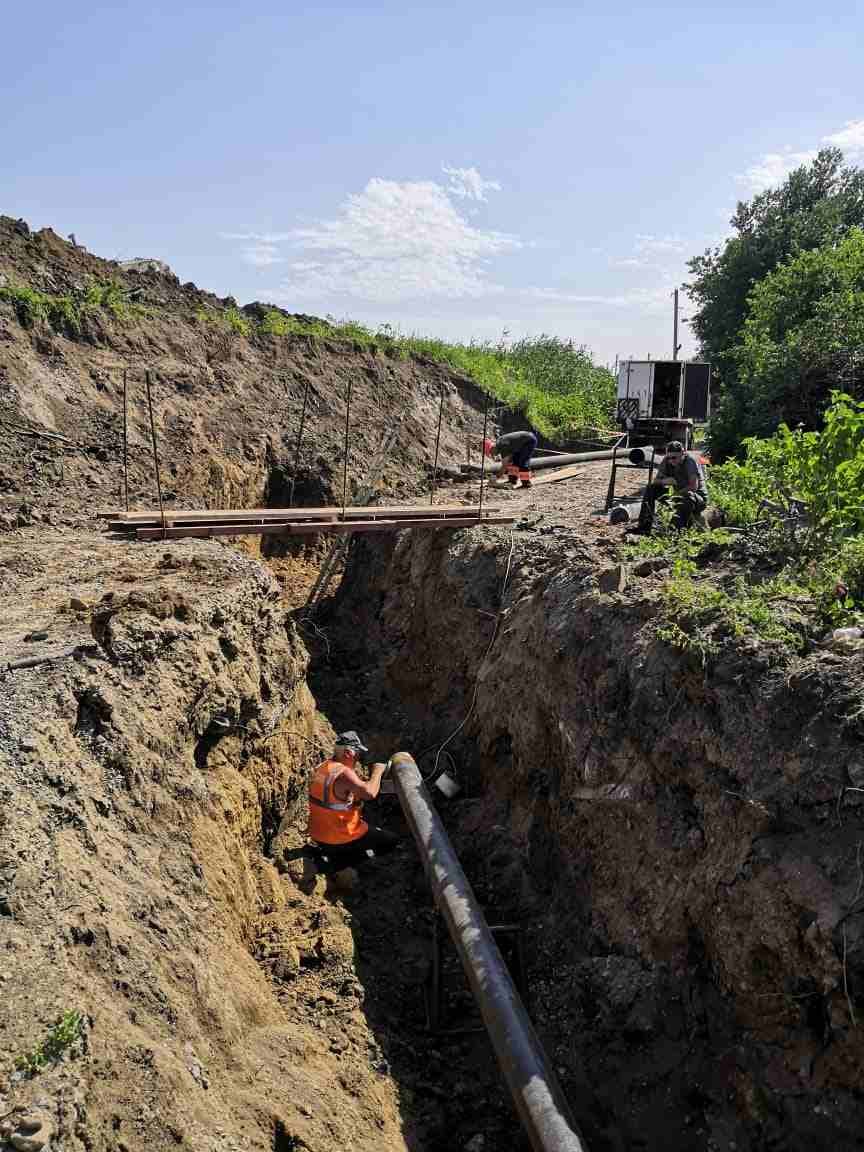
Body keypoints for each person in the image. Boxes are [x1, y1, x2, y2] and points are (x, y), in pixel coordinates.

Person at [307, 731, 399, 868]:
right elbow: (369, 794)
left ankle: (332, 855)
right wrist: (378, 771)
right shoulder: (343, 774)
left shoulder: (324, 767)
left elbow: (334, 798)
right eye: (358, 754)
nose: (358, 758)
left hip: (317, 834)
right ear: (348, 753)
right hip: (339, 837)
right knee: (390, 841)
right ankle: (336, 864)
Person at [632, 440, 708, 534]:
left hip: (697, 499)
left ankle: (674, 531)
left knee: (688, 496)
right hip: (677, 496)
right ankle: (644, 527)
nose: (671, 460)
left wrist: (675, 495)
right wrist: (664, 481)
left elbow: (693, 487)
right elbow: (655, 481)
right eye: (669, 457)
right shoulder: (667, 461)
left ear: (683, 453)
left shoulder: (690, 462)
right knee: (650, 489)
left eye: (674, 457)